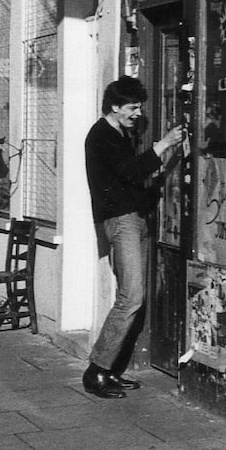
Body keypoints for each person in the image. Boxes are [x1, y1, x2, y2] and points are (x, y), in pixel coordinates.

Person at [82, 77, 188, 398]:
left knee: (134, 297)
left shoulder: (118, 133)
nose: (138, 112)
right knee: (132, 297)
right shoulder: (102, 135)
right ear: (114, 107)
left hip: (133, 219)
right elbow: (129, 171)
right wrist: (165, 143)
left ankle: (113, 370)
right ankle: (97, 371)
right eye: (132, 107)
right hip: (122, 222)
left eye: (139, 106)